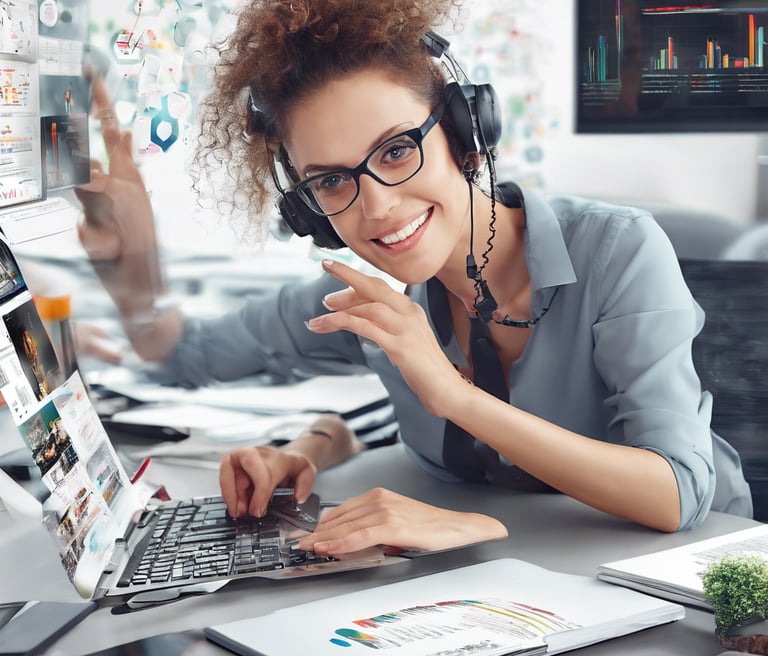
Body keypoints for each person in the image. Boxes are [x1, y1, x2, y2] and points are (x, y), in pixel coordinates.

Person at [76, 0, 752, 558]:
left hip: (686, 582)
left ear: (465, 132)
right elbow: (186, 353)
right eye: (333, 180)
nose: (377, 207)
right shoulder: (374, 297)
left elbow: (680, 492)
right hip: (508, 585)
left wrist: (454, 400)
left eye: (397, 149)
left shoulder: (619, 251)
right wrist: (133, 273)